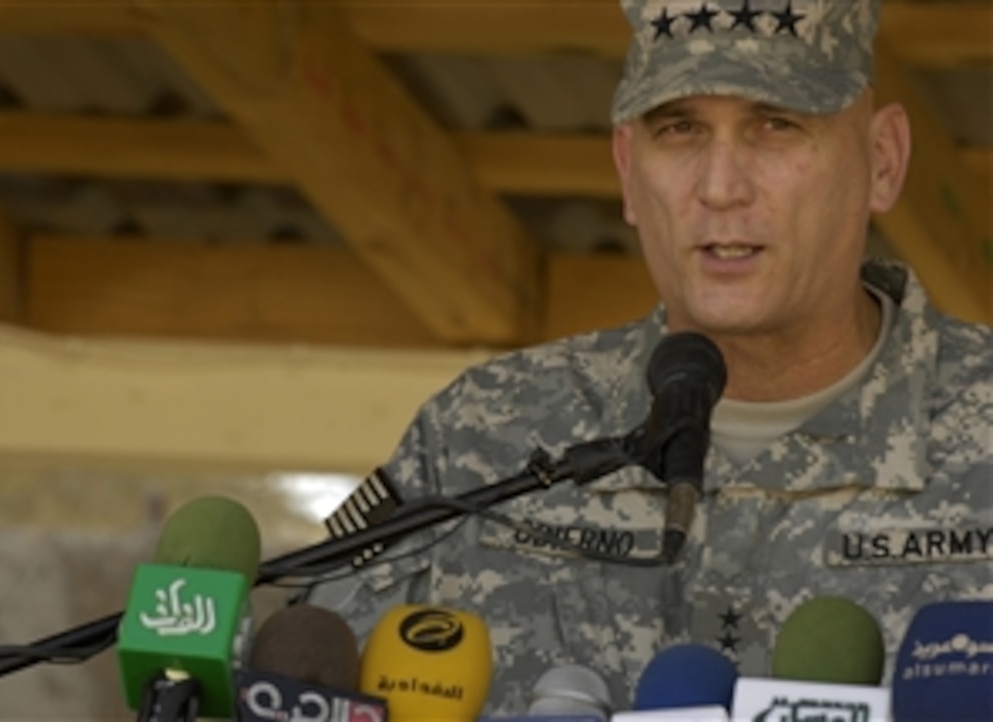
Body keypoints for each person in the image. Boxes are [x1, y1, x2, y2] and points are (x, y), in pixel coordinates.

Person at [307, 0, 993, 713]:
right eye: (680, 129)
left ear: (882, 161)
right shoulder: (483, 435)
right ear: (629, 170)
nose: (721, 187)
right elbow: (297, 672)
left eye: (776, 126)